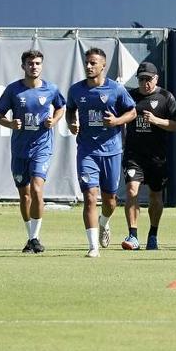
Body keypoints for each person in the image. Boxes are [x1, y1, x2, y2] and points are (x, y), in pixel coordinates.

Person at [0, 49, 66, 254]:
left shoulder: (51, 89)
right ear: (23, 66)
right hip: (19, 149)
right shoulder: (13, 90)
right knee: (24, 195)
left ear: (41, 66)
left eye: (37, 63)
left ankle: (35, 237)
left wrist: (55, 119)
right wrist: (10, 123)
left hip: (42, 147)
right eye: (30, 63)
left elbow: (61, 107)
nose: (34, 67)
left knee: (36, 189)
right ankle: (31, 237)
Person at [67, 48, 138, 258]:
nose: (89, 66)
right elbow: (70, 108)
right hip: (87, 151)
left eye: (93, 63)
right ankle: (93, 247)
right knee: (89, 197)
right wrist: (71, 122)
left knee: (110, 200)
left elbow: (132, 112)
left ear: (103, 66)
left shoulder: (116, 89)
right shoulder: (76, 90)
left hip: (112, 152)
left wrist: (116, 121)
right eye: (87, 63)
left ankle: (104, 222)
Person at [121, 61, 176, 251]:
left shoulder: (165, 97)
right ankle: (133, 235)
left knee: (156, 196)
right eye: (141, 79)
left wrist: (156, 120)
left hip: (157, 157)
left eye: (149, 79)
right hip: (134, 155)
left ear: (156, 79)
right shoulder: (130, 97)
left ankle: (153, 234)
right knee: (132, 191)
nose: (145, 83)